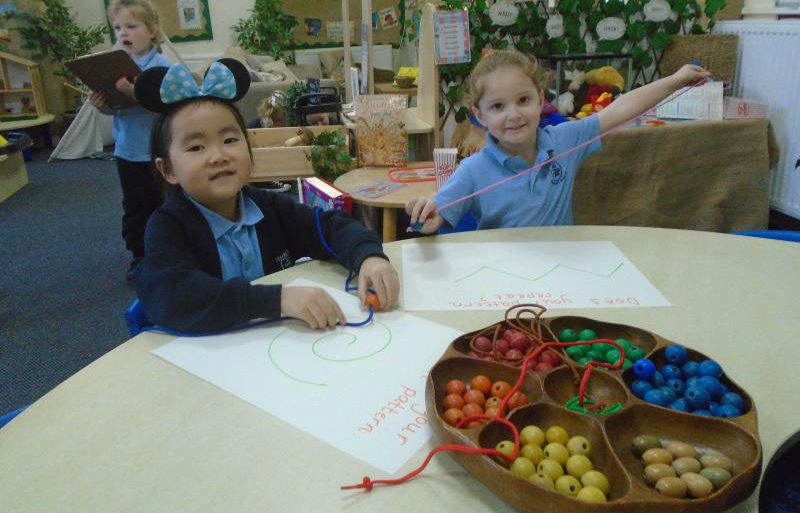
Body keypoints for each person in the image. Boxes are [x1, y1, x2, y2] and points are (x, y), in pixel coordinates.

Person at [132, 58, 399, 333]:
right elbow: (173, 296)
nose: (219, 156)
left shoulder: (268, 207)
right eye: (197, 147)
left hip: (275, 343)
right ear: (168, 169)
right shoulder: (168, 226)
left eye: (230, 140)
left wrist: (368, 257)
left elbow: (330, 227)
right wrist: (276, 299)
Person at [406, 50, 709, 233]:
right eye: (498, 106)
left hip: (562, 272)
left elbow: (621, 108)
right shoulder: (473, 170)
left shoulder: (565, 139)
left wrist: (676, 79)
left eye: (523, 100)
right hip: (504, 278)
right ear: (479, 115)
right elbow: (437, 213)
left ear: (541, 100)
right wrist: (427, 217)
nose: (514, 115)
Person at [89, 0, 171, 280]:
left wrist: (135, 92)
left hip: (158, 152)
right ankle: (139, 256)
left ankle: (170, 253)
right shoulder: (114, 66)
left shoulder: (161, 66)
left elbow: (167, 105)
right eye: (118, 27)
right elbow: (114, 109)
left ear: (152, 30)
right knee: (135, 206)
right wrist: (102, 104)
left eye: (132, 26)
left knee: (163, 203)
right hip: (127, 151)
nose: (124, 33)